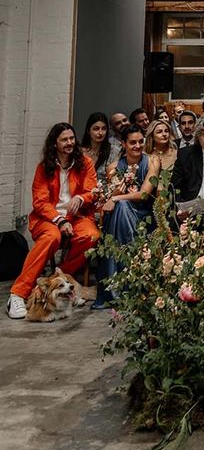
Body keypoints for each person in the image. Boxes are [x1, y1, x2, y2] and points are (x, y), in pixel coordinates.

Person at [7, 124, 99, 319]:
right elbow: (40, 202)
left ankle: (57, 282)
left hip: (77, 216)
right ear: (54, 143)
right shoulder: (44, 168)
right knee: (51, 238)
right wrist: (59, 220)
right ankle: (18, 294)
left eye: (72, 138)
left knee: (91, 236)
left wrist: (81, 198)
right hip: (48, 218)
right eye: (64, 140)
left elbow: (92, 190)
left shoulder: (86, 163)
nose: (69, 143)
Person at [95, 124, 161, 308]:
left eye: (141, 141)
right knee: (122, 207)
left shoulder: (152, 161)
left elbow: (144, 194)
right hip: (119, 217)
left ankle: (125, 284)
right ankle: (127, 283)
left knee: (122, 204)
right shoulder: (113, 167)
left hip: (144, 216)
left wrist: (116, 198)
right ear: (123, 144)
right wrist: (116, 195)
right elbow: (110, 196)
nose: (138, 146)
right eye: (132, 142)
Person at [80, 112, 111, 183]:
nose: (100, 133)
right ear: (88, 131)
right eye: (96, 129)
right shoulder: (80, 152)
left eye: (103, 129)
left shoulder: (113, 151)